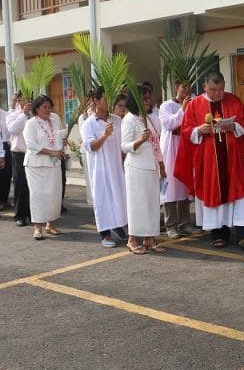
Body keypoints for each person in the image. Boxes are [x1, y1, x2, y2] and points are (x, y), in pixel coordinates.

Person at [175, 71, 244, 249]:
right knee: (214, 193)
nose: (218, 94)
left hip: (233, 159)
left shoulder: (234, 100)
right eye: (213, 90)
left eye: (220, 89)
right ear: (204, 87)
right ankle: (219, 233)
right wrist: (199, 130)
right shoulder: (194, 105)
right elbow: (186, 130)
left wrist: (234, 125)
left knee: (239, 193)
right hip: (209, 161)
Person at [121, 86, 166, 254]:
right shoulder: (129, 119)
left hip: (151, 167)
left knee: (152, 204)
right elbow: (124, 146)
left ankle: (149, 238)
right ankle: (133, 239)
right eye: (145, 98)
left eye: (149, 97)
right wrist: (140, 140)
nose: (149, 100)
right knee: (138, 204)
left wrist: (161, 165)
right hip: (136, 168)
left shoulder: (149, 118)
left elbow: (156, 144)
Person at [81, 88, 128, 248]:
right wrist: (104, 135)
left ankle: (119, 225)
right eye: (106, 98)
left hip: (116, 167)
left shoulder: (117, 120)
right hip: (100, 170)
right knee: (103, 200)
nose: (109, 101)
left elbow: (122, 144)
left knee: (119, 197)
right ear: (96, 100)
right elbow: (91, 146)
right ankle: (105, 234)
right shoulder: (89, 123)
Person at [23, 95, 65, 240]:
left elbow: (58, 137)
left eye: (49, 106)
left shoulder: (55, 119)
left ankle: (51, 224)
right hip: (36, 164)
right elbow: (31, 144)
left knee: (54, 194)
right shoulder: (31, 123)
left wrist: (62, 143)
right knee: (38, 195)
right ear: (36, 109)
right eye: (44, 107)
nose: (48, 110)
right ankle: (37, 228)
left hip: (54, 163)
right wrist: (51, 152)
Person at [159, 81, 197, 238]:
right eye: (183, 89)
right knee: (171, 188)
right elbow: (169, 124)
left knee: (184, 185)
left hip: (186, 149)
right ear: (176, 88)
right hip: (170, 151)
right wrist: (183, 108)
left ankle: (185, 222)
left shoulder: (194, 103)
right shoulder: (166, 106)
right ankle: (170, 225)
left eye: (189, 89)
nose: (186, 92)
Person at [6, 93, 31, 226]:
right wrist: (24, 114)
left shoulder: (35, 114)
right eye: (20, 99)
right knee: (20, 184)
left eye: (24, 99)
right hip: (19, 154)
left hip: (34, 153)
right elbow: (13, 129)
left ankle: (33, 214)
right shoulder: (13, 114)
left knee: (33, 186)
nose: (22, 101)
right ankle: (20, 215)